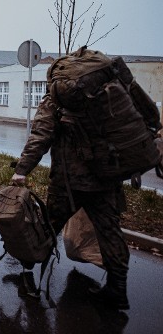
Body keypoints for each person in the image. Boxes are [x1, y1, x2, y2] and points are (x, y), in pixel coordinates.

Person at [11, 93, 131, 310]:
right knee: (110, 231)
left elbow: (41, 135)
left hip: (68, 181)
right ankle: (118, 290)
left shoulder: (57, 97)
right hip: (106, 178)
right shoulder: (110, 94)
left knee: (48, 227)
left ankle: (33, 279)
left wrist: (22, 169)